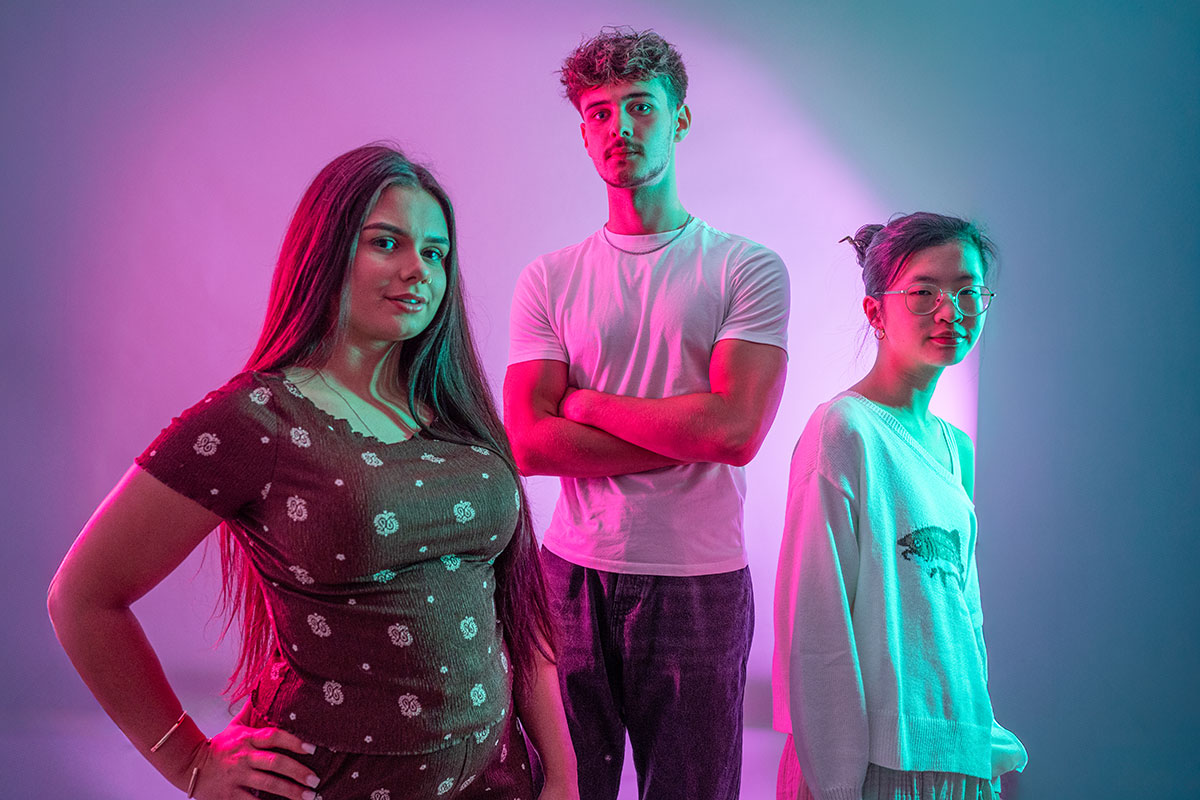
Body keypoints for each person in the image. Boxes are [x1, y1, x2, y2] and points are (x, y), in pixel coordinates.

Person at [48, 144, 579, 800]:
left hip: (498, 782)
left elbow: (519, 614)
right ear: (327, 250)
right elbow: (83, 597)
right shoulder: (255, 419)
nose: (418, 269)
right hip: (331, 784)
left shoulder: (457, 409)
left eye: (436, 253)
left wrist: (561, 774)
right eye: (387, 243)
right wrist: (191, 762)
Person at [503, 27, 790, 800]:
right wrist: (680, 431)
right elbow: (529, 443)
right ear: (583, 130)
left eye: (639, 106)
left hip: (697, 580)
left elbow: (734, 433)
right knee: (559, 788)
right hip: (567, 576)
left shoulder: (744, 267)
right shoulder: (550, 278)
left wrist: (589, 405)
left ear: (680, 119)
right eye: (599, 112)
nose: (618, 128)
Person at [772, 213, 1028, 800]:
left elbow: (965, 623)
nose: (950, 310)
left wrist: (980, 748)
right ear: (875, 311)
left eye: (967, 291)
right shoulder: (845, 431)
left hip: (957, 757)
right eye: (923, 292)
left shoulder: (954, 448)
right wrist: (835, 783)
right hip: (875, 768)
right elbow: (817, 628)